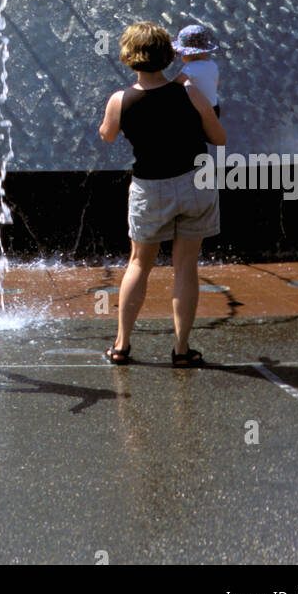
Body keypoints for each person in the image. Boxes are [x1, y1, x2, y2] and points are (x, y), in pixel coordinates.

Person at [99, 22, 226, 367]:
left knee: (139, 263)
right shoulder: (188, 93)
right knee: (186, 266)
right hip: (195, 183)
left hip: (150, 189)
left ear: (129, 58)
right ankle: (182, 350)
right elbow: (219, 139)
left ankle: (122, 346)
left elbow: (107, 136)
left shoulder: (120, 100)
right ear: (169, 56)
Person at [172, 25, 221, 115]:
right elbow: (217, 84)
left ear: (187, 54)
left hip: (198, 110)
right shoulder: (212, 64)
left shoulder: (191, 67)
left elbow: (175, 84)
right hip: (214, 107)